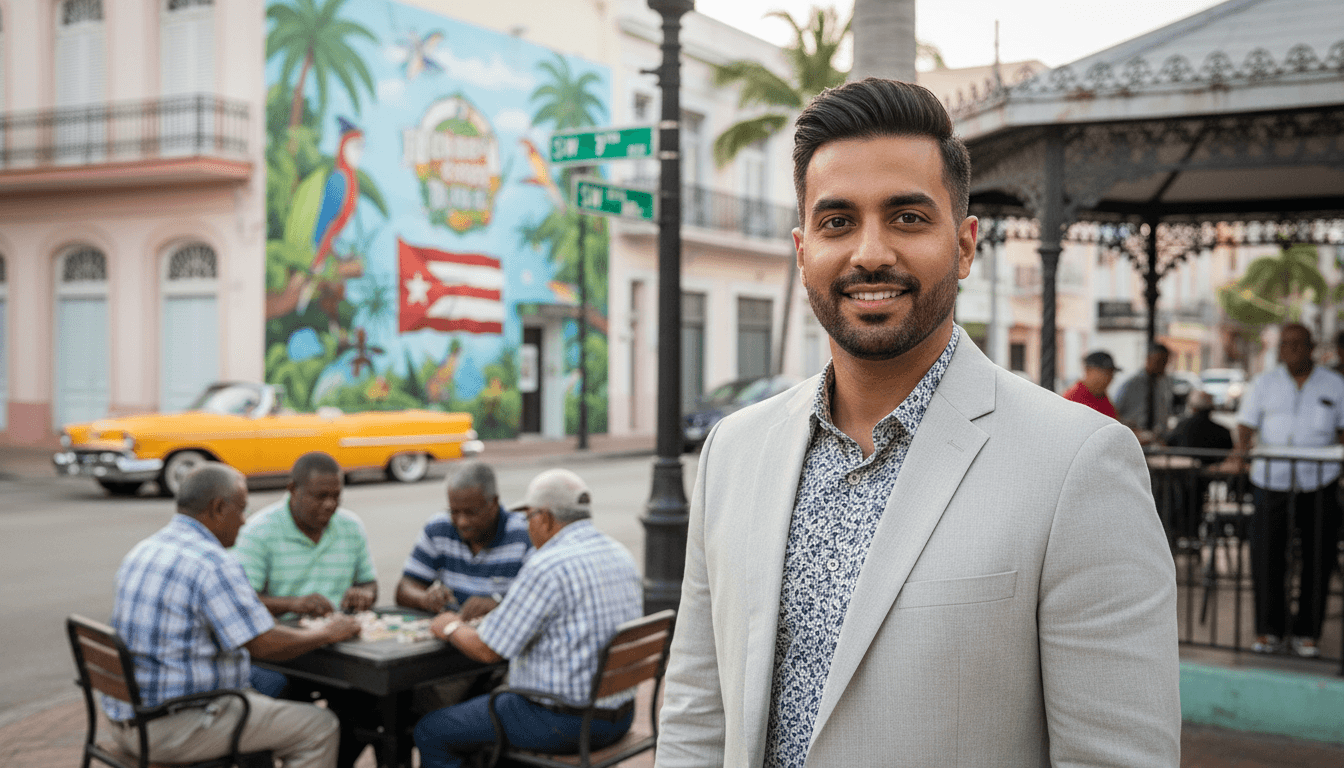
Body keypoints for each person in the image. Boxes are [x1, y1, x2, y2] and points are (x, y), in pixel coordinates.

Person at [654, 78, 1179, 767]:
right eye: (837, 222)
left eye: (906, 217)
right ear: (803, 250)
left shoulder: (1078, 463)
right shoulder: (735, 449)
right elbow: (697, 714)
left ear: (964, 245)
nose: (870, 252)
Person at [106, 463, 360, 768]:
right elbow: (262, 644)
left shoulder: (145, 549)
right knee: (320, 726)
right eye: (241, 510)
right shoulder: (212, 562)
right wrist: (327, 633)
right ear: (218, 508)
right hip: (175, 724)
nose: (243, 521)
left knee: (267, 702)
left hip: (127, 718)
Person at [413, 469, 643, 768]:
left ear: (544, 518)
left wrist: (449, 625)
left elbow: (488, 650)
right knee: (484, 709)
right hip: (619, 715)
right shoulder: (620, 554)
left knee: (432, 731)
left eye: (529, 517)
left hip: (563, 722)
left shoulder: (547, 564)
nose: (527, 525)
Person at [230, 451, 379, 768]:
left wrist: (363, 594)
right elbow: (243, 601)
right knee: (265, 694)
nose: (329, 505)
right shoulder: (259, 531)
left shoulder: (350, 527)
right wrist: (293, 604)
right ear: (293, 490)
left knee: (374, 701)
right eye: (319, 496)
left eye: (336, 496)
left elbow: (369, 583)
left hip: (339, 650)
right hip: (280, 651)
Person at [1233, 322, 1344, 658]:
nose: (1292, 349)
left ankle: (1307, 633)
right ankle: (1269, 630)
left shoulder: (1335, 384)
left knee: (1318, 557)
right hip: (1272, 481)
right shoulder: (1264, 383)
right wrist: (1241, 456)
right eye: (1286, 344)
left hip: (1319, 481)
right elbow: (1245, 425)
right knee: (1267, 556)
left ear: (1312, 347)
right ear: (1279, 349)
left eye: (1299, 343)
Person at [396, 460, 532, 621]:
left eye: (471, 513)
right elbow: (405, 588)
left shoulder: (525, 535)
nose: (462, 522)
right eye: (454, 512)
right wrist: (425, 598)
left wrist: (500, 606)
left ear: (493, 503)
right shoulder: (439, 528)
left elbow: (541, 605)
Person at [1116, 343, 1175, 437]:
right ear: (1148, 359)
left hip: (1157, 436)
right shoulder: (1131, 384)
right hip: (1134, 435)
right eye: (1159, 362)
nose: (1163, 366)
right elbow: (1116, 412)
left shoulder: (1165, 382)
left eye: (1165, 362)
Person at [1062, 350, 1121, 418]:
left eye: (1111, 373)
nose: (1108, 378)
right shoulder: (1072, 397)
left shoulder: (1101, 395)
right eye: (1104, 373)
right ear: (1088, 370)